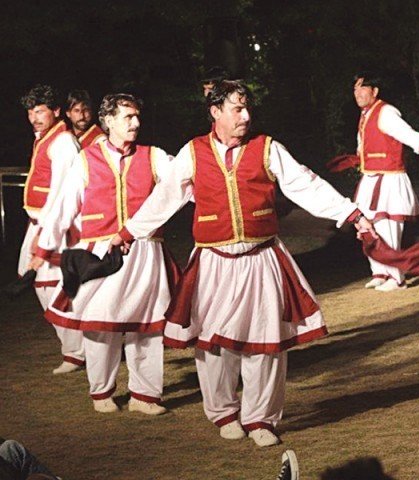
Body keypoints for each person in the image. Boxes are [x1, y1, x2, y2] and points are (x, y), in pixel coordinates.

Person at [111, 79, 376, 446]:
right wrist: (129, 233)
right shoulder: (192, 152)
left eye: (247, 108)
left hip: (261, 257)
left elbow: (305, 184)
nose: (246, 116)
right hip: (214, 263)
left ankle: (261, 419)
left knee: (265, 342)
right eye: (237, 109)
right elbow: (164, 198)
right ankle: (223, 411)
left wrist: (352, 213)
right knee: (213, 344)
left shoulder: (267, 148)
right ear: (215, 112)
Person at [30, 94, 175, 416]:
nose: (135, 123)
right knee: (99, 325)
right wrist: (44, 247)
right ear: (108, 121)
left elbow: (184, 182)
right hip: (99, 253)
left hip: (145, 250)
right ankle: (101, 392)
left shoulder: (155, 157)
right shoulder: (87, 160)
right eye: (128, 117)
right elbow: (64, 206)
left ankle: (145, 395)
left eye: (137, 116)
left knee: (146, 326)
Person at [18, 84, 85, 374]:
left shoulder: (63, 142)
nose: (34, 116)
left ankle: (77, 351)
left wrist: (47, 233)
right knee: (36, 281)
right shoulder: (45, 139)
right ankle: (76, 348)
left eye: (40, 110)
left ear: (56, 111)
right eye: (31, 111)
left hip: (53, 225)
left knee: (54, 286)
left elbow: (61, 193)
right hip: (37, 223)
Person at [352, 73, 419, 291]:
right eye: (355, 89)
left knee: (387, 227)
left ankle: (396, 278)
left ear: (375, 91)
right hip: (371, 178)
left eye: (362, 88)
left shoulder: (385, 112)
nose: (358, 94)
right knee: (367, 226)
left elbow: (405, 133)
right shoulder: (366, 115)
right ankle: (380, 272)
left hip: (389, 178)